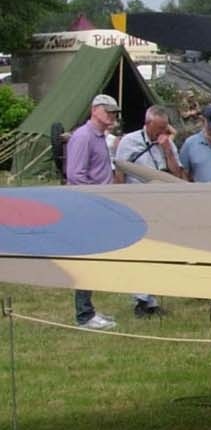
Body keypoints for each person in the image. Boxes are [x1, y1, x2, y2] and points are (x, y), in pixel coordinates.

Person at [113, 105, 186, 317]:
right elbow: (120, 171)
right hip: (136, 203)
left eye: (164, 128)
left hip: (160, 204)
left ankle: (151, 299)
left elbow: (177, 173)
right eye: (158, 128)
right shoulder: (129, 142)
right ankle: (140, 300)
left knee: (158, 252)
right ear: (147, 124)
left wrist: (166, 149)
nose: (161, 133)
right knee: (140, 252)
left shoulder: (167, 143)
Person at [64, 94, 120, 330]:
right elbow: (75, 175)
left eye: (114, 111)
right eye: (108, 111)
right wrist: (98, 199)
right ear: (95, 110)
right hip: (85, 208)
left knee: (93, 260)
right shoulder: (83, 137)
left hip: (96, 206)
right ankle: (84, 316)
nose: (112, 115)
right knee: (85, 262)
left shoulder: (99, 137)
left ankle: (88, 310)